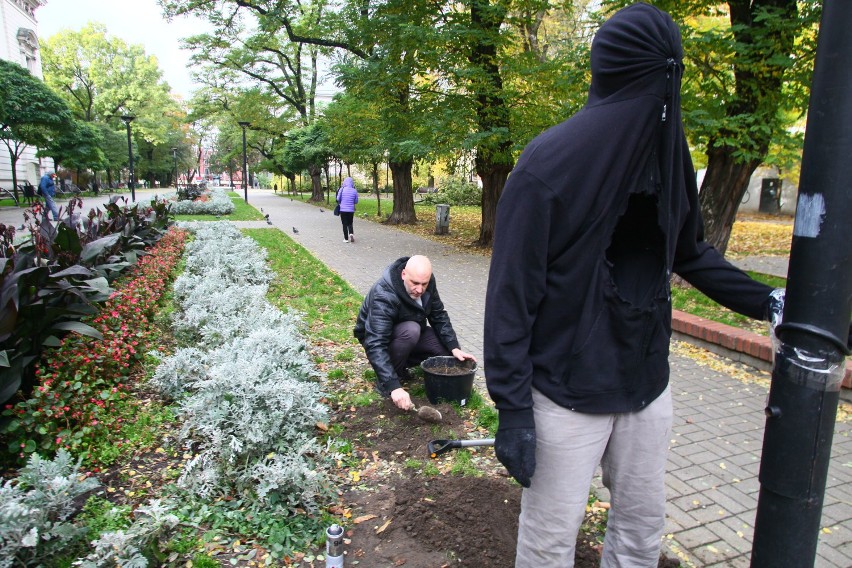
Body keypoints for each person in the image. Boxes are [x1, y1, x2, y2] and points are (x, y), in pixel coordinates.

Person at [484, 4, 781, 566]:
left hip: (645, 385)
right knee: (550, 541)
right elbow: (509, 301)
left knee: (642, 529)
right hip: (565, 395)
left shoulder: (669, 159)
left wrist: (769, 301)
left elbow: (689, 251)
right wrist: (513, 410)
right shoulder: (549, 165)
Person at [355, 255, 476, 410]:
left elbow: (438, 314)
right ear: (404, 274)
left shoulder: (428, 282)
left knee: (445, 353)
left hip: (410, 333)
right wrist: (394, 386)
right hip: (382, 337)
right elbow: (375, 343)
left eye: (424, 284)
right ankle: (388, 380)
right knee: (411, 330)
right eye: (415, 283)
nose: (420, 289)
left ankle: (401, 365)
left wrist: (454, 347)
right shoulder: (384, 294)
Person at [336, 177, 359, 243]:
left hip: (343, 209)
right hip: (351, 210)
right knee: (350, 223)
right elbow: (356, 201)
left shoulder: (342, 189)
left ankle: (346, 239)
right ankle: (351, 233)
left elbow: (338, 199)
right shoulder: (354, 190)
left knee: (344, 224)